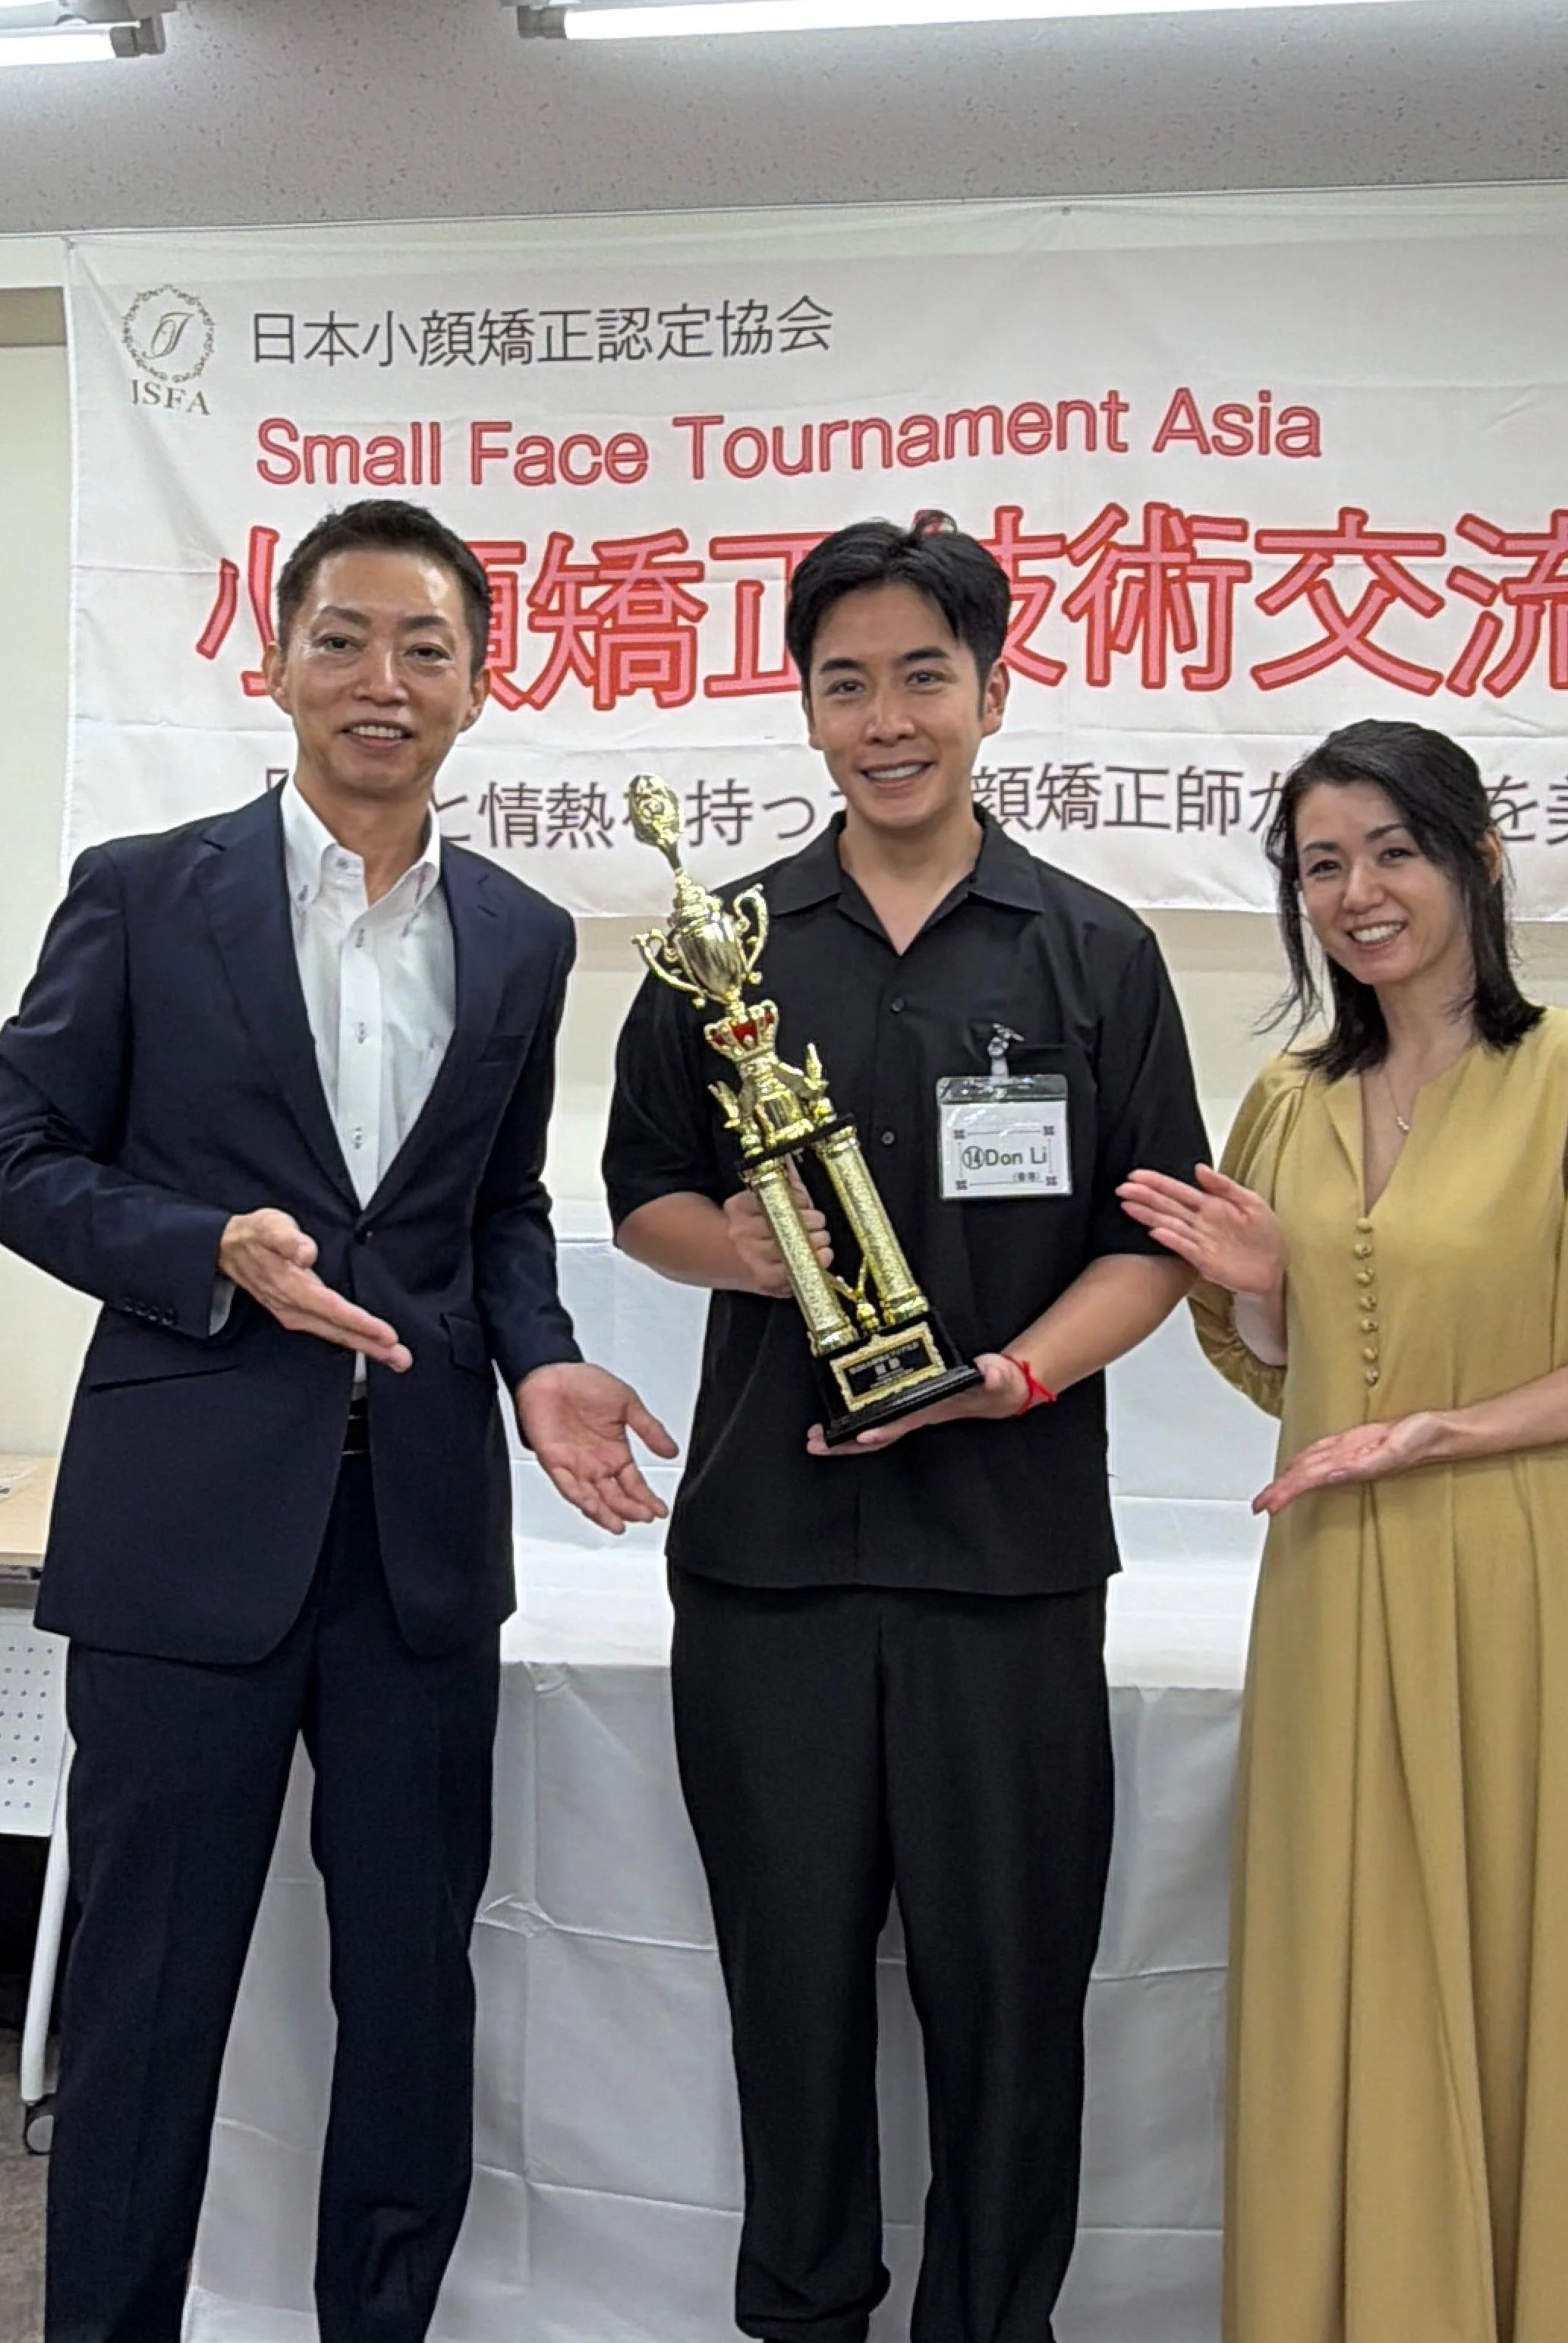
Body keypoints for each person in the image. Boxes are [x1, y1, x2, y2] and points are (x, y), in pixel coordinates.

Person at [0, 498, 675, 2343]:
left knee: (409, 1998)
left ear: (479, 684)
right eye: (346, 639)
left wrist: (542, 1360)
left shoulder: (522, 937)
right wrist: (201, 1248)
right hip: (186, 1535)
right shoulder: (147, 893)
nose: (385, 679)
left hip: (418, 1550)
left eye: (425, 648)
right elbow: (21, 1148)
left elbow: (499, 1209)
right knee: (144, 1999)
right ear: (277, 660)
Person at [602, 515, 1207, 2343]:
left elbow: (1148, 1239)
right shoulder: (719, 953)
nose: (887, 720)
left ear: (992, 694)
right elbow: (642, 1196)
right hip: (767, 1566)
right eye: (846, 682)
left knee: (1010, 2011)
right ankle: (803, 2319)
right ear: (804, 708)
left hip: (1007, 1563)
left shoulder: (1093, 952)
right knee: (788, 1999)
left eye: (922, 678)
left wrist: (1012, 1376)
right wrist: (755, 1250)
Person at [1119, 716, 1568, 2343]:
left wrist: (1453, 1428)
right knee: (1339, 1950)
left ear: (1478, 859)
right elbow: (1280, 1366)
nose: (1357, 893)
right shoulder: (1291, 1098)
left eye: (1392, 851)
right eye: (1320, 866)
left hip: (1520, 1568)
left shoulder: (1558, 1074)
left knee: (1519, 1957)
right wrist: (1265, 1291)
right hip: (1324, 1572)